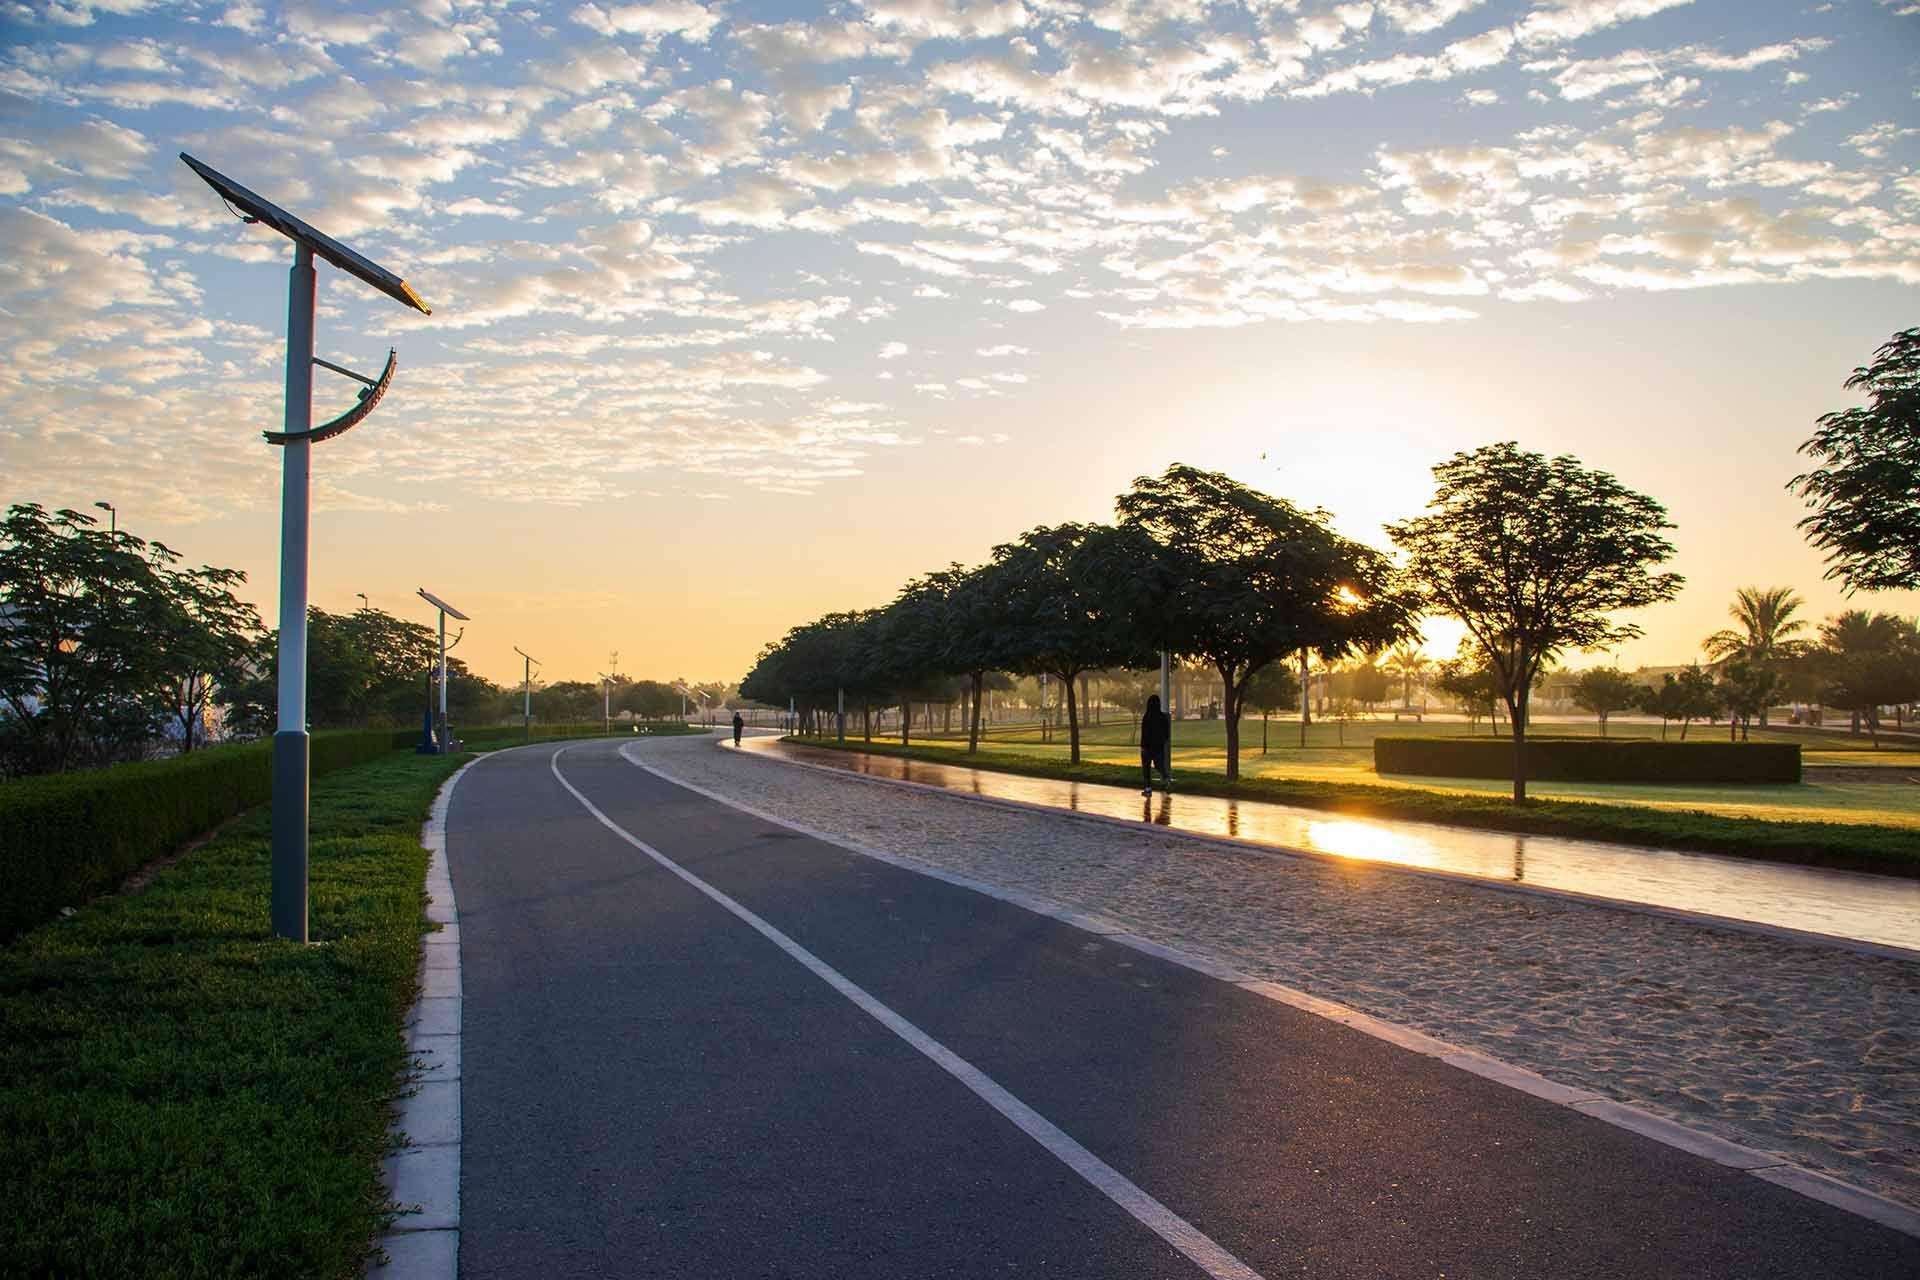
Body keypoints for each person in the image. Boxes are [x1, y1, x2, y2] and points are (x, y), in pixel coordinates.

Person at [1139, 694, 1171, 795]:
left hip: (1147, 747)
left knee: (1146, 768)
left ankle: (1148, 789)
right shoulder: (1162, 717)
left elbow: (1144, 733)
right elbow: (1166, 733)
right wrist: (1163, 741)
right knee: (1159, 766)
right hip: (1158, 747)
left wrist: (1142, 746)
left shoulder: (1147, 716)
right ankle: (1166, 781)